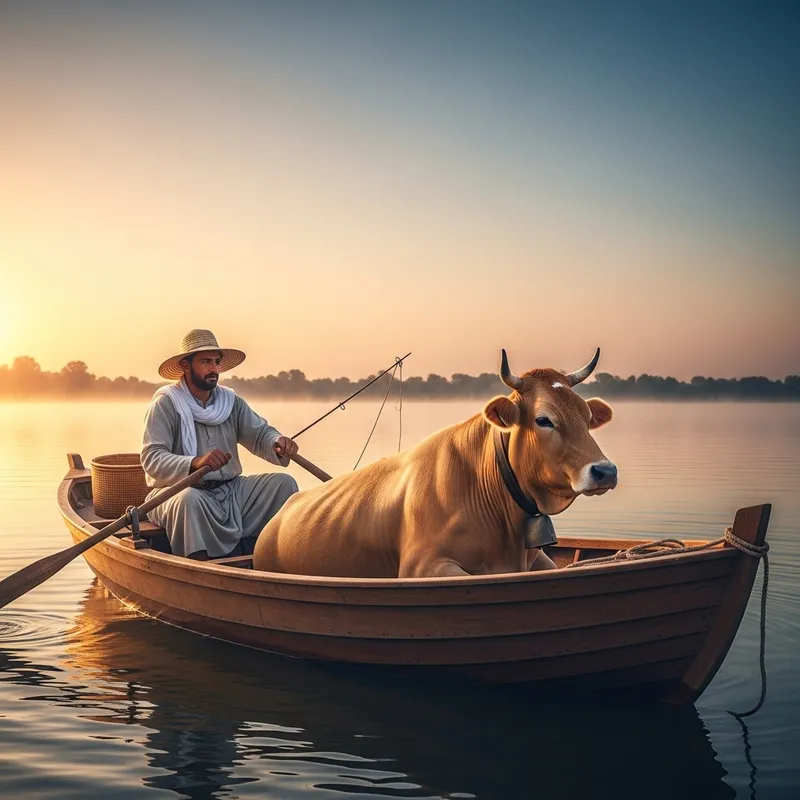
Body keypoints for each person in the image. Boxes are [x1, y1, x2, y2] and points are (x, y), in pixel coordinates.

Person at [141, 328, 299, 560]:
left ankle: (273, 559)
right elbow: (151, 459)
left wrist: (277, 442)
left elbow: (260, 434)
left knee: (283, 484)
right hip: (176, 493)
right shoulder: (166, 403)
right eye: (205, 361)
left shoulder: (230, 401)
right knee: (189, 501)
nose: (214, 368)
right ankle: (202, 572)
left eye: (216, 362)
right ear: (186, 366)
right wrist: (195, 462)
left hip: (231, 491)